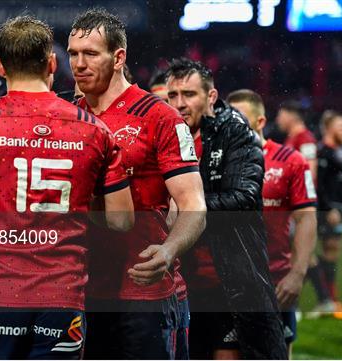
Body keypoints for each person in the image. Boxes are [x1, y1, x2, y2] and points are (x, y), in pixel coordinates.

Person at [0, 15, 134, 359]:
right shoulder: (95, 131)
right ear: (52, 63)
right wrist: (77, 200)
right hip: (62, 298)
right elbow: (123, 221)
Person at [67, 9, 206, 359]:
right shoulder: (66, 116)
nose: (79, 64)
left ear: (118, 58)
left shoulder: (160, 117)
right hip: (77, 290)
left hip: (144, 293)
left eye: (91, 54)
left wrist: (169, 250)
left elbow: (193, 206)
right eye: (73, 54)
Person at [164, 58, 287, 359]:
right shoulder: (166, 135)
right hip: (182, 284)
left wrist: (188, 209)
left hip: (230, 282)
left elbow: (243, 198)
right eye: (173, 95)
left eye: (189, 95)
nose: (179, 104)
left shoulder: (236, 133)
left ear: (211, 97)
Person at [227, 89, 318, 357]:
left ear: (260, 122)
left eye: (240, 118)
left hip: (275, 283)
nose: (233, 124)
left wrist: (297, 274)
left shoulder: (291, 161)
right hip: (223, 286)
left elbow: (306, 218)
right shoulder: (215, 161)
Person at [149, 68, 190, 360]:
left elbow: (180, 213)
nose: (170, 108)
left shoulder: (186, 146)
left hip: (170, 284)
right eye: (162, 101)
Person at [312, 110, 342, 315]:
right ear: (328, 128)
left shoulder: (340, 150)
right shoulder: (322, 151)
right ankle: (326, 299)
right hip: (328, 209)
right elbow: (319, 184)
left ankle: (330, 299)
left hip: (338, 207)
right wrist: (328, 207)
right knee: (327, 250)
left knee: (333, 252)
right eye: (340, 126)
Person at [276, 100, 318, 182]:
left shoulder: (306, 139)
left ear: (291, 116)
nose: (278, 120)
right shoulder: (291, 138)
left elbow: (311, 172)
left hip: (300, 193)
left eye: (281, 116)